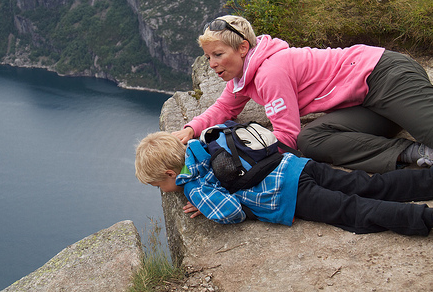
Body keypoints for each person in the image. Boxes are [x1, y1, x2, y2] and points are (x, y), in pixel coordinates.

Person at [172, 15, 433, 173]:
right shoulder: (244, 76)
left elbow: (286, 137)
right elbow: (224, 108)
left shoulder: (270, 72)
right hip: (366, 104)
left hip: (384, 75)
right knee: (312, 139)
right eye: (208, 57)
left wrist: (233, 163)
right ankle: (414, 153)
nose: (213, 64)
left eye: (218, 54)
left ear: (242, 48)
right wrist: (191, 129)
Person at [135, 131, 433, 236]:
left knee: (353, 210)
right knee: (367, 185)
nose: (161, 191)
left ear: (171, 175)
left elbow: (230, 213)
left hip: (290, 193)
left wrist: (204, 203)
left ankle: (424, 219)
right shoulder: (202, 145)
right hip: (296, 164)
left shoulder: (194, 187)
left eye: (157, 185)